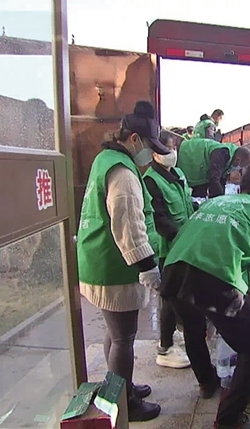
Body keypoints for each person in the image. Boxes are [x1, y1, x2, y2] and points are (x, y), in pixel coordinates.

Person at [160, 166, 250, 429]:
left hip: (173, 270)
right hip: (214, 276)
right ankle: (228, 421)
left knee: (193, 329)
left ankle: (207, 382)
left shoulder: (216, 202)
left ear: (240, 189)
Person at [76, 100, 169, 422]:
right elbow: (129, 226)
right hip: (114, 267)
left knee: (115, 334)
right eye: (149, 147)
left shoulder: (105, 159)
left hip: (99, 261)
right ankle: (124, 402)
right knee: (123, 338)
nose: (150, 154)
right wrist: (148, 267)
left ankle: (119, 387)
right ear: (134, 139)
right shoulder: (124, 172)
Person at [142, 132, 199, 369]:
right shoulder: (151, 181)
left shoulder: (178, 174)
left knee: (182, 294)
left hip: (184, 245)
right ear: (155, 153)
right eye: (166, 149)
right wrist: (182, 237)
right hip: (168, 248)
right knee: (169, 296)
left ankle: (175, 334)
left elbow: (187, 203)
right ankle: (164, 347)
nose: (172, 153)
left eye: (174, 148)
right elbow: (160, 220)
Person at [177, 137, 250, 198]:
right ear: (238, 160)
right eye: (242, 166)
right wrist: (219, 200)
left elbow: (221, 181)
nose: (239, 169)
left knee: (200, 194)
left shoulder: (229, 160)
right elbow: (214, 178)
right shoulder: (223, 153)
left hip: (197, 164)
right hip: (185, 154)